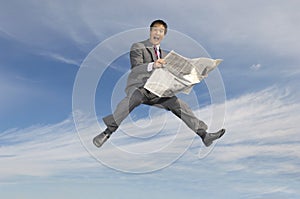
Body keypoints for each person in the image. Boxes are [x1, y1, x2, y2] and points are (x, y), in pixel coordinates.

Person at [93, 19, 225, 148]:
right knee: (131, 100)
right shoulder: (138, 46)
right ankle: (107, 132)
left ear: (164, 35)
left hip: (159, 91)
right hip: (141, 87)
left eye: (161, 31)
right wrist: (152, 65)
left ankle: (204, 135)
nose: (157, 33)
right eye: (155, 30)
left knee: (181, 106)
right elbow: (136, 68)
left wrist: (197, 74)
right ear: (150, 32)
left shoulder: (166, 55)